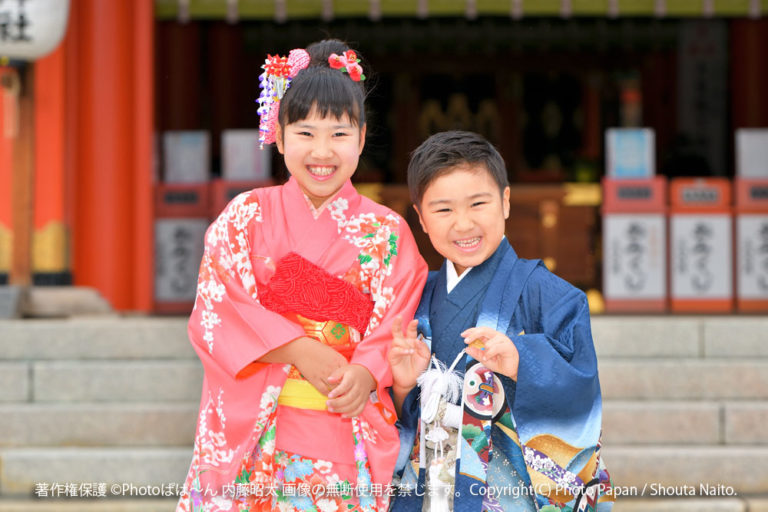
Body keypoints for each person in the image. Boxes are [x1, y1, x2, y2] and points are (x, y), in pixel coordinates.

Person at [177, 39, 428, 512]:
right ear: (278, 132)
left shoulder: (388, 233)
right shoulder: (245, 216)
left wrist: (366, 371)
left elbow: (396, 322)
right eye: (306, 133)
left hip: (338, 425)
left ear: (362, 136)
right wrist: (299, 348)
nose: (322, 151)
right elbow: (217, 309)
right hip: (257, 433)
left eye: (338, 134)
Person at [388, 131, 614, 512]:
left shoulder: (555, 297)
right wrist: (402, 386)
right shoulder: (414, 296)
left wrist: (521, 361)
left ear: (506, 202)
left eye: (478, 203)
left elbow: (580, 387)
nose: (463, 224)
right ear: (421, 218)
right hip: (429, 490)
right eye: (443, 210)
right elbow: (395, 412)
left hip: (507, 496)